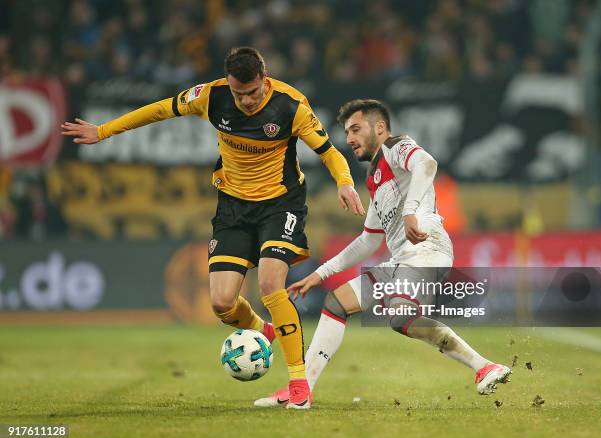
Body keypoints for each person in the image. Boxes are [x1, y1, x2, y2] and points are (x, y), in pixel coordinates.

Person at [61, 47, 364, 410]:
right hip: (233, 208)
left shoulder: (291, 105)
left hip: (281, 204)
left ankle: (299, 384)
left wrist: (344, 181)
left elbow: (329, 152)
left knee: (270, 284)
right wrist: (104, 131)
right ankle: (265, 332)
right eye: (239, 94)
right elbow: (160, 109)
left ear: (264, 80)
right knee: (222, 304)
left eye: (252, 93)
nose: (246, 101)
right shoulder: (210, 96)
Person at [255, 99, 511, 408]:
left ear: (378, 127)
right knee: (337, 302)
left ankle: (484, 366)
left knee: (401, 316)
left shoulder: (396, 146)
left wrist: (411, 212)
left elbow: (427, 164)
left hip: (426, 248)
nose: (349, 139)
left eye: (355, 129)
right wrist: (319, 273)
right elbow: (368, 241)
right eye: (346, 132)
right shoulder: (375, 177)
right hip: (403, 258)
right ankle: (302, 392)